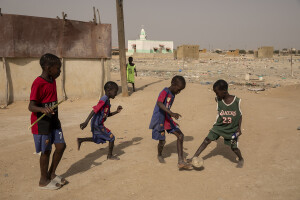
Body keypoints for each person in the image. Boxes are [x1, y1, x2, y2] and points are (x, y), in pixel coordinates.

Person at [29, 53, 67, 190]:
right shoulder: (38, 83)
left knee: (61, 146)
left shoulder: (53, 80)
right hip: (42, 123)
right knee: (46, 151)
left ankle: (51, 174)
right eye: (58, 68)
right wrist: (42, 109)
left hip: (54, 120)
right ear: (47, 67)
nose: (60, 71)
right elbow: (31, 106)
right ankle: (43, 180)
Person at [188, 79, 244, 168]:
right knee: (206, 140)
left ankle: (240, 159)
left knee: (234, 148)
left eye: (217, 92)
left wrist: (239, 128)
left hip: (231, 129)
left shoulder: (237, 101)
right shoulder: (218, 100)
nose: (216, 95)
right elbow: (217, 99)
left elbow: (240, 115)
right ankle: (194, 157)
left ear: (224, 91)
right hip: (219, 127)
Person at [149, 75, 192, 170]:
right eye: (178, 89)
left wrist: (172, 119)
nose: (179, 92)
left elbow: (167, 108)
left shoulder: (173, 95)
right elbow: (159, 103)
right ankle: (159, 154)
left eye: (181, 90)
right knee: (162, 141)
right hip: (159, 119)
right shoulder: (165, 91)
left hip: (167, 118)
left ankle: (180, 161)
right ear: (173, 84)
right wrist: (171, 113)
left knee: (180, 136)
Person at [78, 81, 123, 160]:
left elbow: (107, 114)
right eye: (115, 91)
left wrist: (117, 111)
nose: (116, 94)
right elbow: (95, 110)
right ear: (109, 90)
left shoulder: (107, 101)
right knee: (111, 137)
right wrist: (86, 121)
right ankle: (110, 156)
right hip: (97, 124)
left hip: (97, 123)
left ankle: (81, 140)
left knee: (97, 138)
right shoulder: (104, 99)